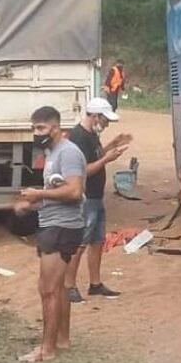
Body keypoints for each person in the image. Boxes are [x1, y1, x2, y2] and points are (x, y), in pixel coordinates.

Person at [14, 106, 86, 363]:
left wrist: (39, 194)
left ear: (55, 128)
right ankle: (62, 340)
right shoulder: (52, 153)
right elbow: (58, 193)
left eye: (41, 128)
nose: (36, 133)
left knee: (48, 290)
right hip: (54, 223)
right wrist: (32, 205)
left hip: (61, 227)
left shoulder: (68, 153)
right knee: (59, 287)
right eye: (34, 128)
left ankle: (47, 350)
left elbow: (75, 192)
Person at [65, 97, 132, 302]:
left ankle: (95, 284)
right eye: (105, 119)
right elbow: (83, 169)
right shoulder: (78, 137)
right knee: (80, 243)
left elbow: (95, 156)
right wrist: (106, 159)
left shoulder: (91, 134)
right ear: (94, 116)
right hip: (86, 197)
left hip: (96, 196)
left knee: (96, 241)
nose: (106, 124)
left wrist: (111, 145)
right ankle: (69, 286)